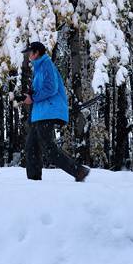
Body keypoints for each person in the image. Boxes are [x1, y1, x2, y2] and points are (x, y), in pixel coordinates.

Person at [22, 41, 90, 182]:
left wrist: (33, 97)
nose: (28, 55)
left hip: (47, 112)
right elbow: (42, 89)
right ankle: (33, 182)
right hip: (40, 113)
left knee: (48, 149)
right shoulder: (39, 68)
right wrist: (29, 95)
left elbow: (51, 88)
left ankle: (78, 171)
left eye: (30, 52)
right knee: (31, 148)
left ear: (36, 53)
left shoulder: (46, 65)